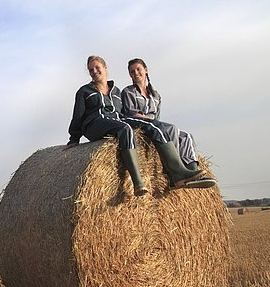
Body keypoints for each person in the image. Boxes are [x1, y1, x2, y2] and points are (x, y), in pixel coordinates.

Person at [65, 56, 210, 195]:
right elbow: (78, 115)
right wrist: (74, 138)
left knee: (153, 125)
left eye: (97, 67)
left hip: (116, 121)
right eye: (91, 70)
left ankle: (178, 173)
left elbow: (122, 114)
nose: (94, 71)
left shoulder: (117, 92)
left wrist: (143, 123)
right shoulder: (84, 91)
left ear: (105, 67)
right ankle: (138, 182)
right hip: (95, 124)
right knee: (125, 129)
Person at [122, 58, 203, 172]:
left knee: (186, 136)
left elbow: (157, 116)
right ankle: (174, 169)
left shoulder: (156, 95)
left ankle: (191, 168)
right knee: (172, 129)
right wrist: (150, 120)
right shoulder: (128, 91)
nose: (135, 73)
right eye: (132, 71)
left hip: (155, 125)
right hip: (140, 125)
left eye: (138, 69)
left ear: (146, 70)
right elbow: (131, 114)